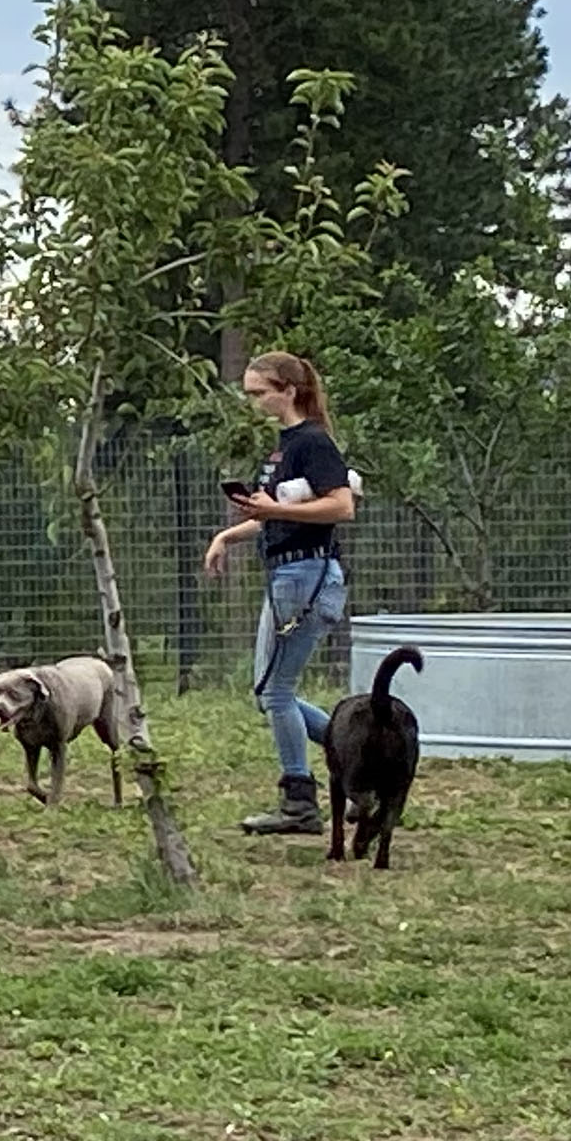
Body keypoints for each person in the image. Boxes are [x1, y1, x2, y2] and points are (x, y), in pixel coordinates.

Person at [200, 349, 357, 838]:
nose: (253, 402)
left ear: (289, 390)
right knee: (270, 692)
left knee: (275, 692)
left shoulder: (312, 442)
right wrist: (231, 533)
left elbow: (342, 506)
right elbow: (274, 511)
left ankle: (300, 800)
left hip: (306, 577)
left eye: (259, 393)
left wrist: (275, 512)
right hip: (290, 574)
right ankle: (358, 768)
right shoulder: (283, 448)